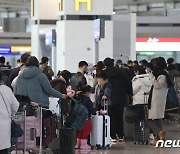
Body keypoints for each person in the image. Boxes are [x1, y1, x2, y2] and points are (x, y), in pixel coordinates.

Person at [103, 58, 133, 142]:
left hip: (109, 98)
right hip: (121, 97)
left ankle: (112, 135)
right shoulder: (121, 72)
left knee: (111, 117)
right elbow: (128, 83)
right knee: (119, 117)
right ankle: (120, 135)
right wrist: (129, 93)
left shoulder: (104, 73)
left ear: (105, 65)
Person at [146, 57, 172, 145]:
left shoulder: (162, 75)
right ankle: (159, 139)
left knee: (149, 120)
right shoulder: (162, 74)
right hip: (156, 99)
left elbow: (157, 85)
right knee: (157, 119)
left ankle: (160, 132)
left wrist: (150, 75)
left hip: (157, 100)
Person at [0, 72, 19, 154]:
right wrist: (11, 114)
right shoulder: (6, 89)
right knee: (3, 149)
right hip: (4, 126)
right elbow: (16, 105)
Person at [75, 85, 96, 150]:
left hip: (79, 118)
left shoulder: (79, 98)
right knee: (86, 130)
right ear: (87, 92)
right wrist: (95, 111)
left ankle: (77, 144)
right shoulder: (87, 100)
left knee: (80, 131)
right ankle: (83, 145)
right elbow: (92, 110)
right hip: (86, 118)